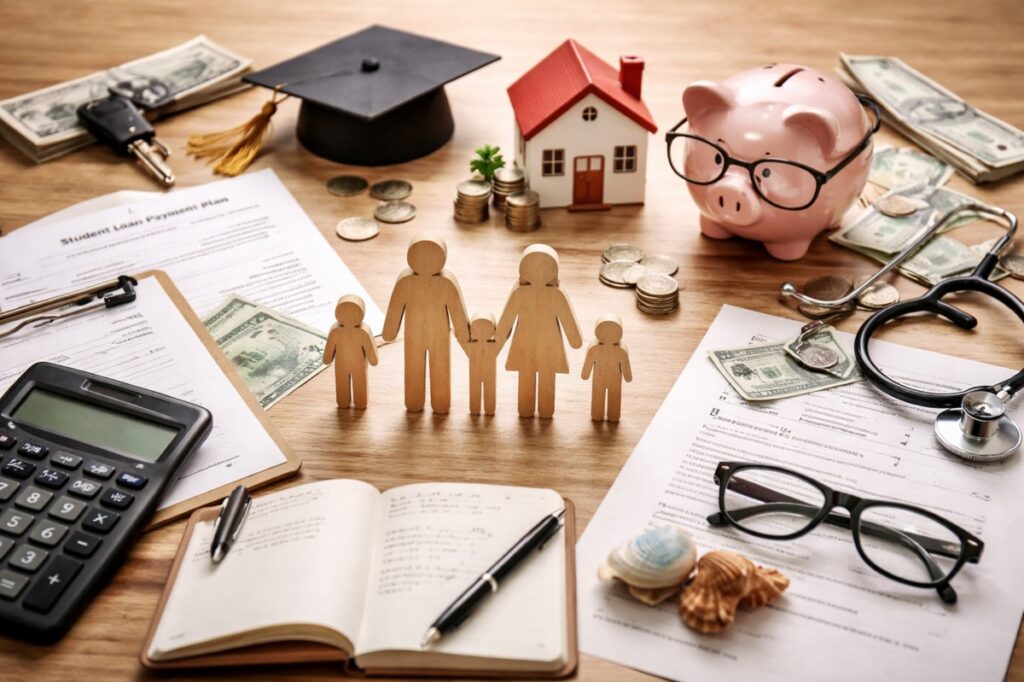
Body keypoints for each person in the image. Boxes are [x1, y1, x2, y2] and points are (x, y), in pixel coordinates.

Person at [382, 236, 470, 414]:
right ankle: (423, 403)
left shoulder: (443, 282)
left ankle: (436, 403)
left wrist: (389, 333)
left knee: (436, 368)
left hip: (432, 335)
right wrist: (465, 336)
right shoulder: (408, 282)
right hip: (420, 335)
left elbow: (457, 311)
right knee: (420, 367)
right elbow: (395, 309)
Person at [496, 244, 582, 418]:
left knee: (534, 375)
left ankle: (531, 409)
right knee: (542, 376)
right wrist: (575, 340)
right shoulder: (553, 295)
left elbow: (505, 324)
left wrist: (496, 340)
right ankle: (542, 410)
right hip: (545, 346)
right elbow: (570, 327)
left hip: (527, 344)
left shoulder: (523, 293)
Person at [323, 294, 378, 408]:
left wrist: (327, 359)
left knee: (354, 382)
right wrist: (373, 360)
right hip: (348, 364)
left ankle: (357, 402)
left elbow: (328, 353)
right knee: (348, 382)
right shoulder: (337, 331)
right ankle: (351, 402)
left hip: (349, 364)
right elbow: (330, 348)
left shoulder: (361, 331)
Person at [581, 314, 632, 422]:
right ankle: (606, 415)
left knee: (605, 396)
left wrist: (585, 374)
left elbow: (587, 366)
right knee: (610, 397)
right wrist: (628, 377)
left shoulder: (596, 349)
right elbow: (626, 369)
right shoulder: (619, 351)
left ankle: (599, 415)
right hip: (612, 380)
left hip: (601, 379)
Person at [460, 313, 502, 416]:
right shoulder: (492, 345)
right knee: (480, 389)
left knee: (483, 389)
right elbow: (503, 339)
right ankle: (484, 409)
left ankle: (484, 409)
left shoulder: (474, 345)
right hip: (480, 374)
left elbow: (462, 340)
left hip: (482, 373)